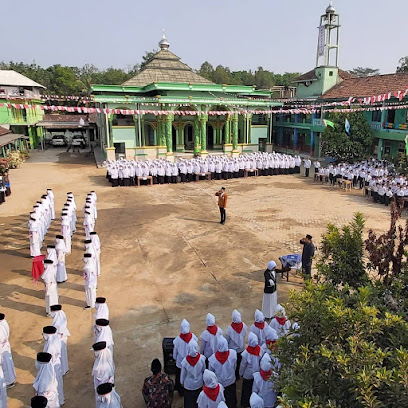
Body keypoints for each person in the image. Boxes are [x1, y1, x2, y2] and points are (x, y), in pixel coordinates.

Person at [208, 337, 237, 408]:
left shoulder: (212, 359)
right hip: (231, 380)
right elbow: (235, 366)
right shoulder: (233, 353)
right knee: (231, 397)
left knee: (222, 399)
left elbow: (211, 372)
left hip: (220, 382)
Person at [173, 319, 198, 397]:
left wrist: (175, 358)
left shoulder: (177, 340)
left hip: (180, 362)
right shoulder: (193, 337)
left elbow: (175, 353)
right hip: (190, 360)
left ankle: (180, 390)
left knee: (179, 375)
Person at [42, 326, 64, 406]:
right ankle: (60, 400)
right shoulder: (55, 340)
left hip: (52, 368)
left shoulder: (50, 346)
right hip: (56, 365)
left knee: (53, 387)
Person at [181, 339, 206, 408]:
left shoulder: (185, 361)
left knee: (189, 402)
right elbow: (203, 371)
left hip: (188, 384)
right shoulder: (202, 359)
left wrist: (182, 382)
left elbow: (183, 374)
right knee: (197, 401)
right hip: (199, 383)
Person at [239, 333, 261, 408]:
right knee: (254, 389)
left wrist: (240, 373)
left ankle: (245, 403)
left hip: (248, 375)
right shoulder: (260, 350)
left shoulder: (247, 353)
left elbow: (243, 365)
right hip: (257, 373)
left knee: (246, 390)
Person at [225, 310, 247, 381]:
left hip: (232, 350)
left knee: (232, 364)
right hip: (241, 349)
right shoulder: (244, 326)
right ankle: (238, 375)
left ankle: (233, 375)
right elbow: (244, 335)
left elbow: (227, 340)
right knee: (239, 363)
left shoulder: (230, 329)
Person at [50, 305, 70, 375]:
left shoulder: (58, 320)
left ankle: (62, 370)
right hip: (61, 337)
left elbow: (59, 330)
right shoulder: (61, 315)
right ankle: (64, 368)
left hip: (60, 338)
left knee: (60, 355)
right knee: (62, 354)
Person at [0, 313, 16, 388]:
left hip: (2, 348)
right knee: (8, 363)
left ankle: (8, 381)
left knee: (5, 365)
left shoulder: (1, 326)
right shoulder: (4, 323)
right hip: (5, 346)